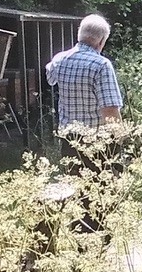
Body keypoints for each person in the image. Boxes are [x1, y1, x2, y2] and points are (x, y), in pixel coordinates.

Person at [45, 14, 124, 241]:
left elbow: (49, 75)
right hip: (97, 140)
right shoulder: (101, 65)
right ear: (101, 41)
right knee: (100, 193)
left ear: (80, 36)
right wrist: (119, 142)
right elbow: (110, 109)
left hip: (69, 139)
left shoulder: (60, 59)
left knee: (77, 189)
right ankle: (97, 244)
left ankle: (78, 238)